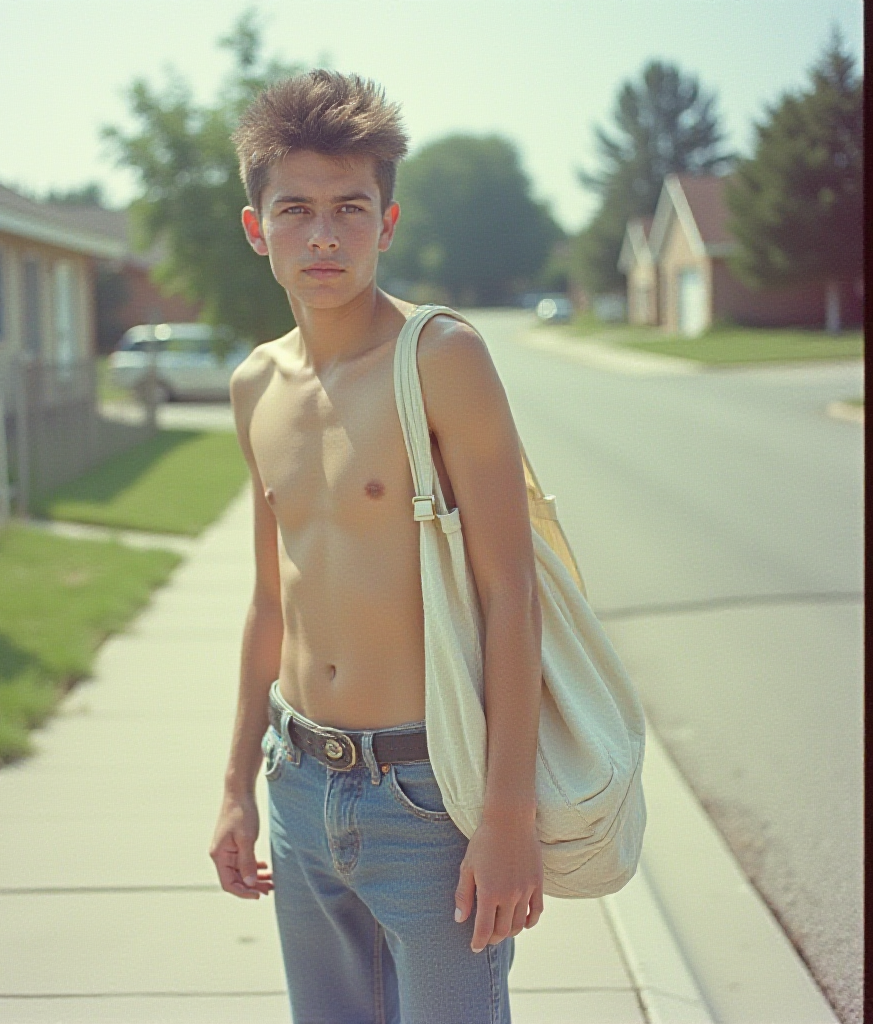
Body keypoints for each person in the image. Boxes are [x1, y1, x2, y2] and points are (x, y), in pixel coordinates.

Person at [209, 69, 544, 1024]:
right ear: (255, 226)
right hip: (299, 783)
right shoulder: (253, 387)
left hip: (428, 797)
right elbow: (271, 602)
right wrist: (236, 786)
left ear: (386, 226)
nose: (324, 235)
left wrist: (508, 817)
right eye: (297, 209)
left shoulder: (441, 358)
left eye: (351, 209)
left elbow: (511, 593)